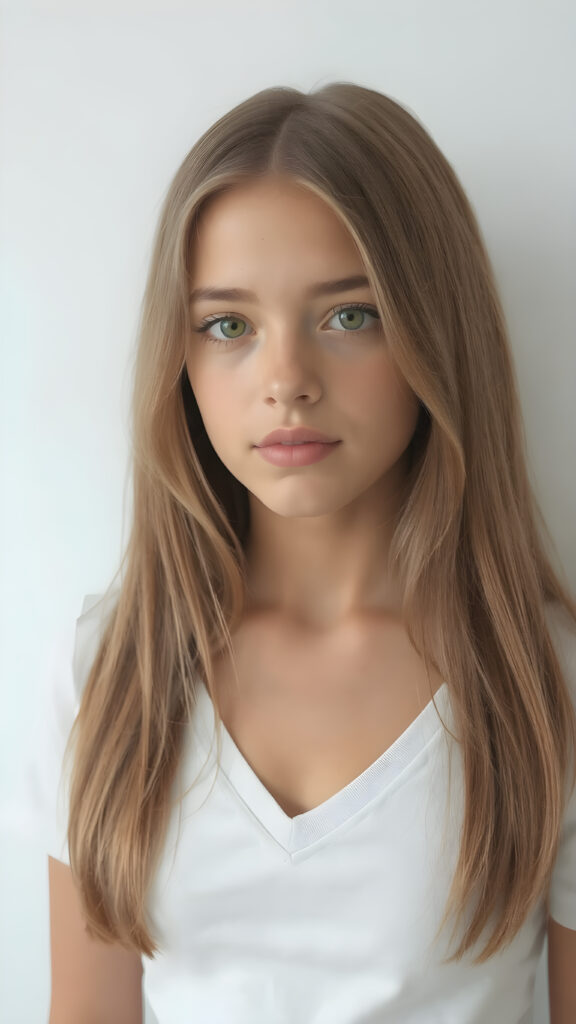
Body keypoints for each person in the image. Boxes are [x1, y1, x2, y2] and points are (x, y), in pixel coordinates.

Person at [4, 81, 576, 1023]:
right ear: (179, 361)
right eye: (229, 326)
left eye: (349, 315)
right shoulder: (110, 666)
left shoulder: (539, 680)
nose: (287, 383)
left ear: (436, 327)